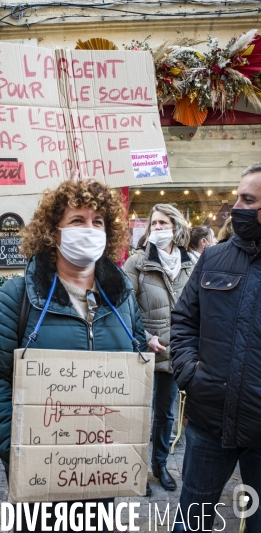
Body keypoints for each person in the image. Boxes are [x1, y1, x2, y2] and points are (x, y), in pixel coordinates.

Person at [0, 179, 148, 532]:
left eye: (98, 222)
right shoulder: (19, 296)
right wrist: (16, 446)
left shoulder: (123, 298)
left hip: (101, 471)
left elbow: (136, 355)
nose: (90, 229)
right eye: (78, 220)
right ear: (54, 231)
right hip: (39, 477)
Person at [170, 163, 261, 533]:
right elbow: (183, 321)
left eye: (249, 199)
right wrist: (191, 374)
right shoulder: (214, 257)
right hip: (210, 422)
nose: (236, 205)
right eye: (238, 195)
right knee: (192, 519)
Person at [124, 204, 193, 492]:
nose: (157, 229)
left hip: (174, 356)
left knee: (165, 415)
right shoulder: (137, 263)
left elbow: (197, 309)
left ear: (176, 228)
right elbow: (124, 308)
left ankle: (160, 465)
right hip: (143, 352)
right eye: (153, 224)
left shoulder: (192, 264)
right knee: (136, 414)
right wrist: (145, 337)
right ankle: (135, 470)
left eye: (163, 223)